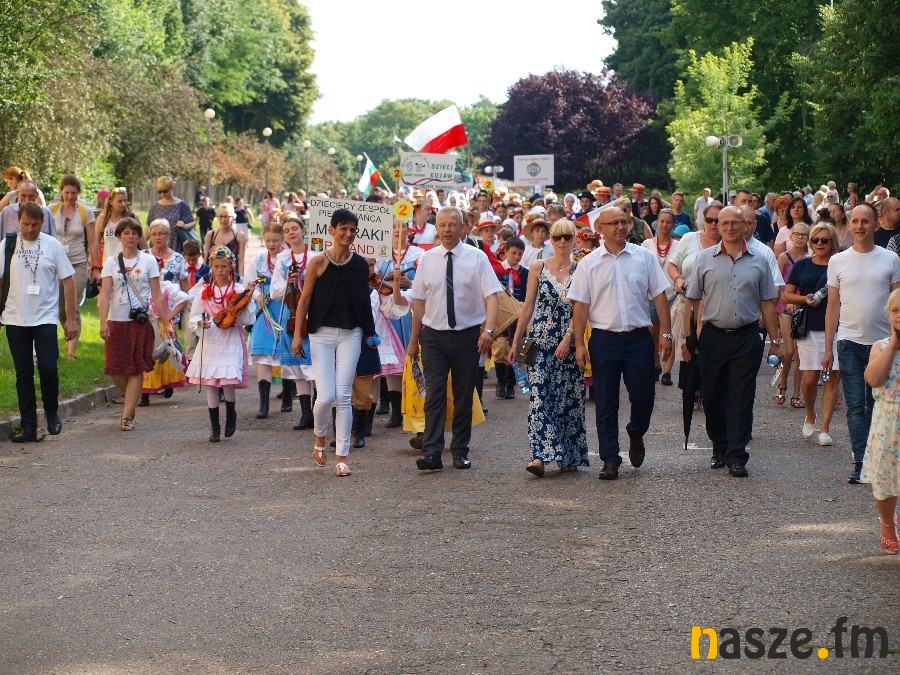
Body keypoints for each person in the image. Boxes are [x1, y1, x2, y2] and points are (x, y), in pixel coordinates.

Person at [570, 206, 673, 480]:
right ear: (600, 229)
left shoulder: (644, 258)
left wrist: (666, 334)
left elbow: (659, 295)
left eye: (623, 222)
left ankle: (636, 432)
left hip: (638, 338)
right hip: (604, 340)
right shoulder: (588, 264)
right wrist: (579, 344)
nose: (620, 227)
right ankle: (610, 459)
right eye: (613, 223)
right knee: (605, 401)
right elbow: (580, 306)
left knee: (643, 397)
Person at [683, 206, 783, 477]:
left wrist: (775, 341)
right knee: (713, 395)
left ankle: (737, 455)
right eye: (723, 223)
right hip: (713, 336)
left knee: (741, 395)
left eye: (734, 223)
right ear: (717, 226)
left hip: (746, 337)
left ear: (744, 225)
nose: (728, 227)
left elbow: (767, 303)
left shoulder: (760, 260)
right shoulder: (704, 259)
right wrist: (686, 337)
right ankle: (719, 445)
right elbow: (691, 301)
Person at [407, 206, 503, 471]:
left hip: (467, 336)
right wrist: (413, 341)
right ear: (436, 228)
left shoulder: (477, 258)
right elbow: (419, 303)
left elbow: (492, 296)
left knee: (463, 395)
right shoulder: (427, 259)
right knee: (434, 395)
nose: (447, 230)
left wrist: (488, 330)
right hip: (433, 337)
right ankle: (432, 453)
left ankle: (460, 450)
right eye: (442, 225)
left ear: (463, 228)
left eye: (452, 225)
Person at [292, 209, 377, 477]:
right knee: (325, 396)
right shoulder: (318, 262)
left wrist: (370, 332)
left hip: (351, 333)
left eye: (352, 230)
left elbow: (363, 301)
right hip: (321, 334)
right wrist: (297, 335)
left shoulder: (360, 264)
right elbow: (305, 299)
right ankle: (320, 437)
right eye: (343, 229)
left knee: (343, 396)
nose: (348, 234)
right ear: (331, 230)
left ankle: (342, 457)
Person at [823, 203, 900, 483]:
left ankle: (882, 459)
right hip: (849, 343)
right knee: (856, 405)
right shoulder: (838, 260)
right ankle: (861, 463)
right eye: (854, 221)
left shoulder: (890, 259)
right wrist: (828, 348)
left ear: (875, 224)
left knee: (881, 405)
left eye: (865, 221)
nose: (859, 226)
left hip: (884, 346)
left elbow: (897, 302)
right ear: (849, 224)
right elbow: (832, 306)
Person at [510, 219, 587, 476]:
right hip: (538, 342)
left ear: (574, 239)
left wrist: (569, 339)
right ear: (550, 240)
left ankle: (568, 454)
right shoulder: (538, 266)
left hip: (569, 343)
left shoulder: (581, 269)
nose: (562, 242)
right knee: (538, 396)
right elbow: (527, 306)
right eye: (557, 237)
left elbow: (582, 308)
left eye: (567, 237)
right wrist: (516, 340)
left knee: (567, 399)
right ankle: (539, 456)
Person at [0, 202, 78, 441]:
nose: (29, 229)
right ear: (19, 221)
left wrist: (71, 319)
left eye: (34, 225)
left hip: (45, 316)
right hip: (15, 316)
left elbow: (68, 282)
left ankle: (52, 414)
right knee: (23, 373)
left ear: (42, 223)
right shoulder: (7, 245)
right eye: (25, 224)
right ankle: (28, 426)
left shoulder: (52, 245)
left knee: (48, 368)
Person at [98, 217, 171, 432]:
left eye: (134, 233)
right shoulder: (111, 262)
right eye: (126, 233)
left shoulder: (148, 261)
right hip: (116, 319)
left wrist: (167, 322)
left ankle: (127, 416)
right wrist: (102, 322)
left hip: (140, 321)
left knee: (136, 367)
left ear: (140, 236)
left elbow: (157, 294)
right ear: (119, 236)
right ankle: (132, 397)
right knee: (114, 368)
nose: (130, 237)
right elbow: (105, 294)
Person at [185, 246, 257, 442]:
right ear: (211, 267)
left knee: (227, 380)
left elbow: (247, 319)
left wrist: (246, 302)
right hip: (211, 338)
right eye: (216, 266)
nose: (220, 270)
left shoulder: (238, 290)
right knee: (211, 382)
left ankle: (231, 413)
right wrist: (200, 323)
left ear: (231, 267)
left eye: (224, 266)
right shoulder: (205, 291)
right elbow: (194, 317)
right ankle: (214, 427)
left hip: (230, 338)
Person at [783, 222, 841, 445]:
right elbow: (787, 295)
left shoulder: (839, 265)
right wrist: (804, 299)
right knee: (809, 380)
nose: (819, 244)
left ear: (832, 243)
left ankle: (825, 428)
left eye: (824, 240)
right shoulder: (802, 265)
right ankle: (810, 413)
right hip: (809, 327)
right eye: (815, 240)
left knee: (832, 378)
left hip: (837, 327)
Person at [860, 288, 900, 554]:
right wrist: (894, 344)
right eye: (896, 310)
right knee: (885, 481)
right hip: (889, 423)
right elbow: (873, 379)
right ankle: (887, 523)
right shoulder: (881, 346)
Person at [269, 216, 315, 427]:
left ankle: (318, 409)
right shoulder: (283, 259)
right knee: (298, 366)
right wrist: (288, 281)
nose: (291, 233)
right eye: (286, 231)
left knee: (315, 365)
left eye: (294, 228)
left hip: (314, 314)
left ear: (303, 230)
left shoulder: (315, 254)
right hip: (293, 315)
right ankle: (306, 414)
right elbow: (275, 292)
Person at [50, 174, 101, 359]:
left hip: (77, 264)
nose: (70, 196)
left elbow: (93, 241)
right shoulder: (51, 210)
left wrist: (95, 267)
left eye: (73, 193)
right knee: (61, 308)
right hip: (56, 264)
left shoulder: (85, 212)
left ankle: (71, 352)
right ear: (61, 192)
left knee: (73, 305)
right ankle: (69, 330)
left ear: (78, 193)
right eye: (67, 193)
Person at [248, 222, 285, 419]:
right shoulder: (260, 260)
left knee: (286, 352)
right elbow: (250, 282)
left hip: (284, 307)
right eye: (268, 240)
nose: (272, 244)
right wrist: (257, 296)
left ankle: (288, 395)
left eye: (276, 240)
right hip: (264, 309)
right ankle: (264, 404)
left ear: (282, 240)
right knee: (264, 354)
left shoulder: (287, 258)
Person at [774, 222, 810, 408]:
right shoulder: (783, 257)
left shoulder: (810, 258)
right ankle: (782, 386)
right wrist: (785, 301)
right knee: (788, 351)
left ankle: (796, 395)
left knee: (799, 353)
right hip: (785, 308)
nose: (800, 238)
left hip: (803, 308)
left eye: (803, 235)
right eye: (797, 234)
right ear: (791, 237)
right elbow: (777, 283)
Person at [642, 208, 677, 385]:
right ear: (656, 223)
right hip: (651, 295)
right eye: (662, 221)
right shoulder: (647, 244)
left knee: (670, 332)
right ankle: (656, 364)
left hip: (672, 294)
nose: (664, 225)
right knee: (653, 333)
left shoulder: (678, 245)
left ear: (673, 225)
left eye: (668, 222)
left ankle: (668, 371)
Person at [493, 236, 528, 399]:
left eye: (520, 254)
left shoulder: (526, 272)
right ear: (505, 251)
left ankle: (511, 384)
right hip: (501, 315)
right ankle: (501, 381)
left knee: (517, 349)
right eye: (513, 253)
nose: (517, 257)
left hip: (519, 317)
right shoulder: (496, 270)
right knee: (500, 348)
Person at [147, 176, 196, 254]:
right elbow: (149, 228)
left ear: (171, 188)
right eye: (160, 192)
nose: (162, 194)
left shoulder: (181, 205)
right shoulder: (155, 207)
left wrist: (184, 226)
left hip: (176, 246)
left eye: (165, 191)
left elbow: (193, 223)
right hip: (157, 248)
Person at [204, 203, 246, 279]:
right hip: (214, 278)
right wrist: (203, 277)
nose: (223, 220)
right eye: (221, 216)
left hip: (232, 278)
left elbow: (241, 260)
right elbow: (206, 258)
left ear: (233, 217)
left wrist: (241, 279)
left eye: (226, 216)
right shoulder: (210, 235)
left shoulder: (240, 236)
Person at [95, 187, 138, 262]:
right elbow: (95, 243)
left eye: (125, 201)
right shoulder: (103, 218)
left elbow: (143, 244)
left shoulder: (132, 217)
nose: (123, 204)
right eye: (119, 201)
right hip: (109, 264)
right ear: (110, 202)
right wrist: (92, 262)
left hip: (129, 263)